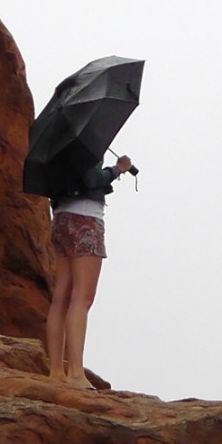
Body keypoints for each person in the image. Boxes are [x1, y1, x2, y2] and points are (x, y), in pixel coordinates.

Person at [45, 155, 132, 389]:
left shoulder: (58, 144)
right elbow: (91, 178)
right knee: (83, 297)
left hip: (61, 218)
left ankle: (55, 372)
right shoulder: (86, 145)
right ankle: (75, 373)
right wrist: (117, 170)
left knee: (61, 297)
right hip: (86, 219)